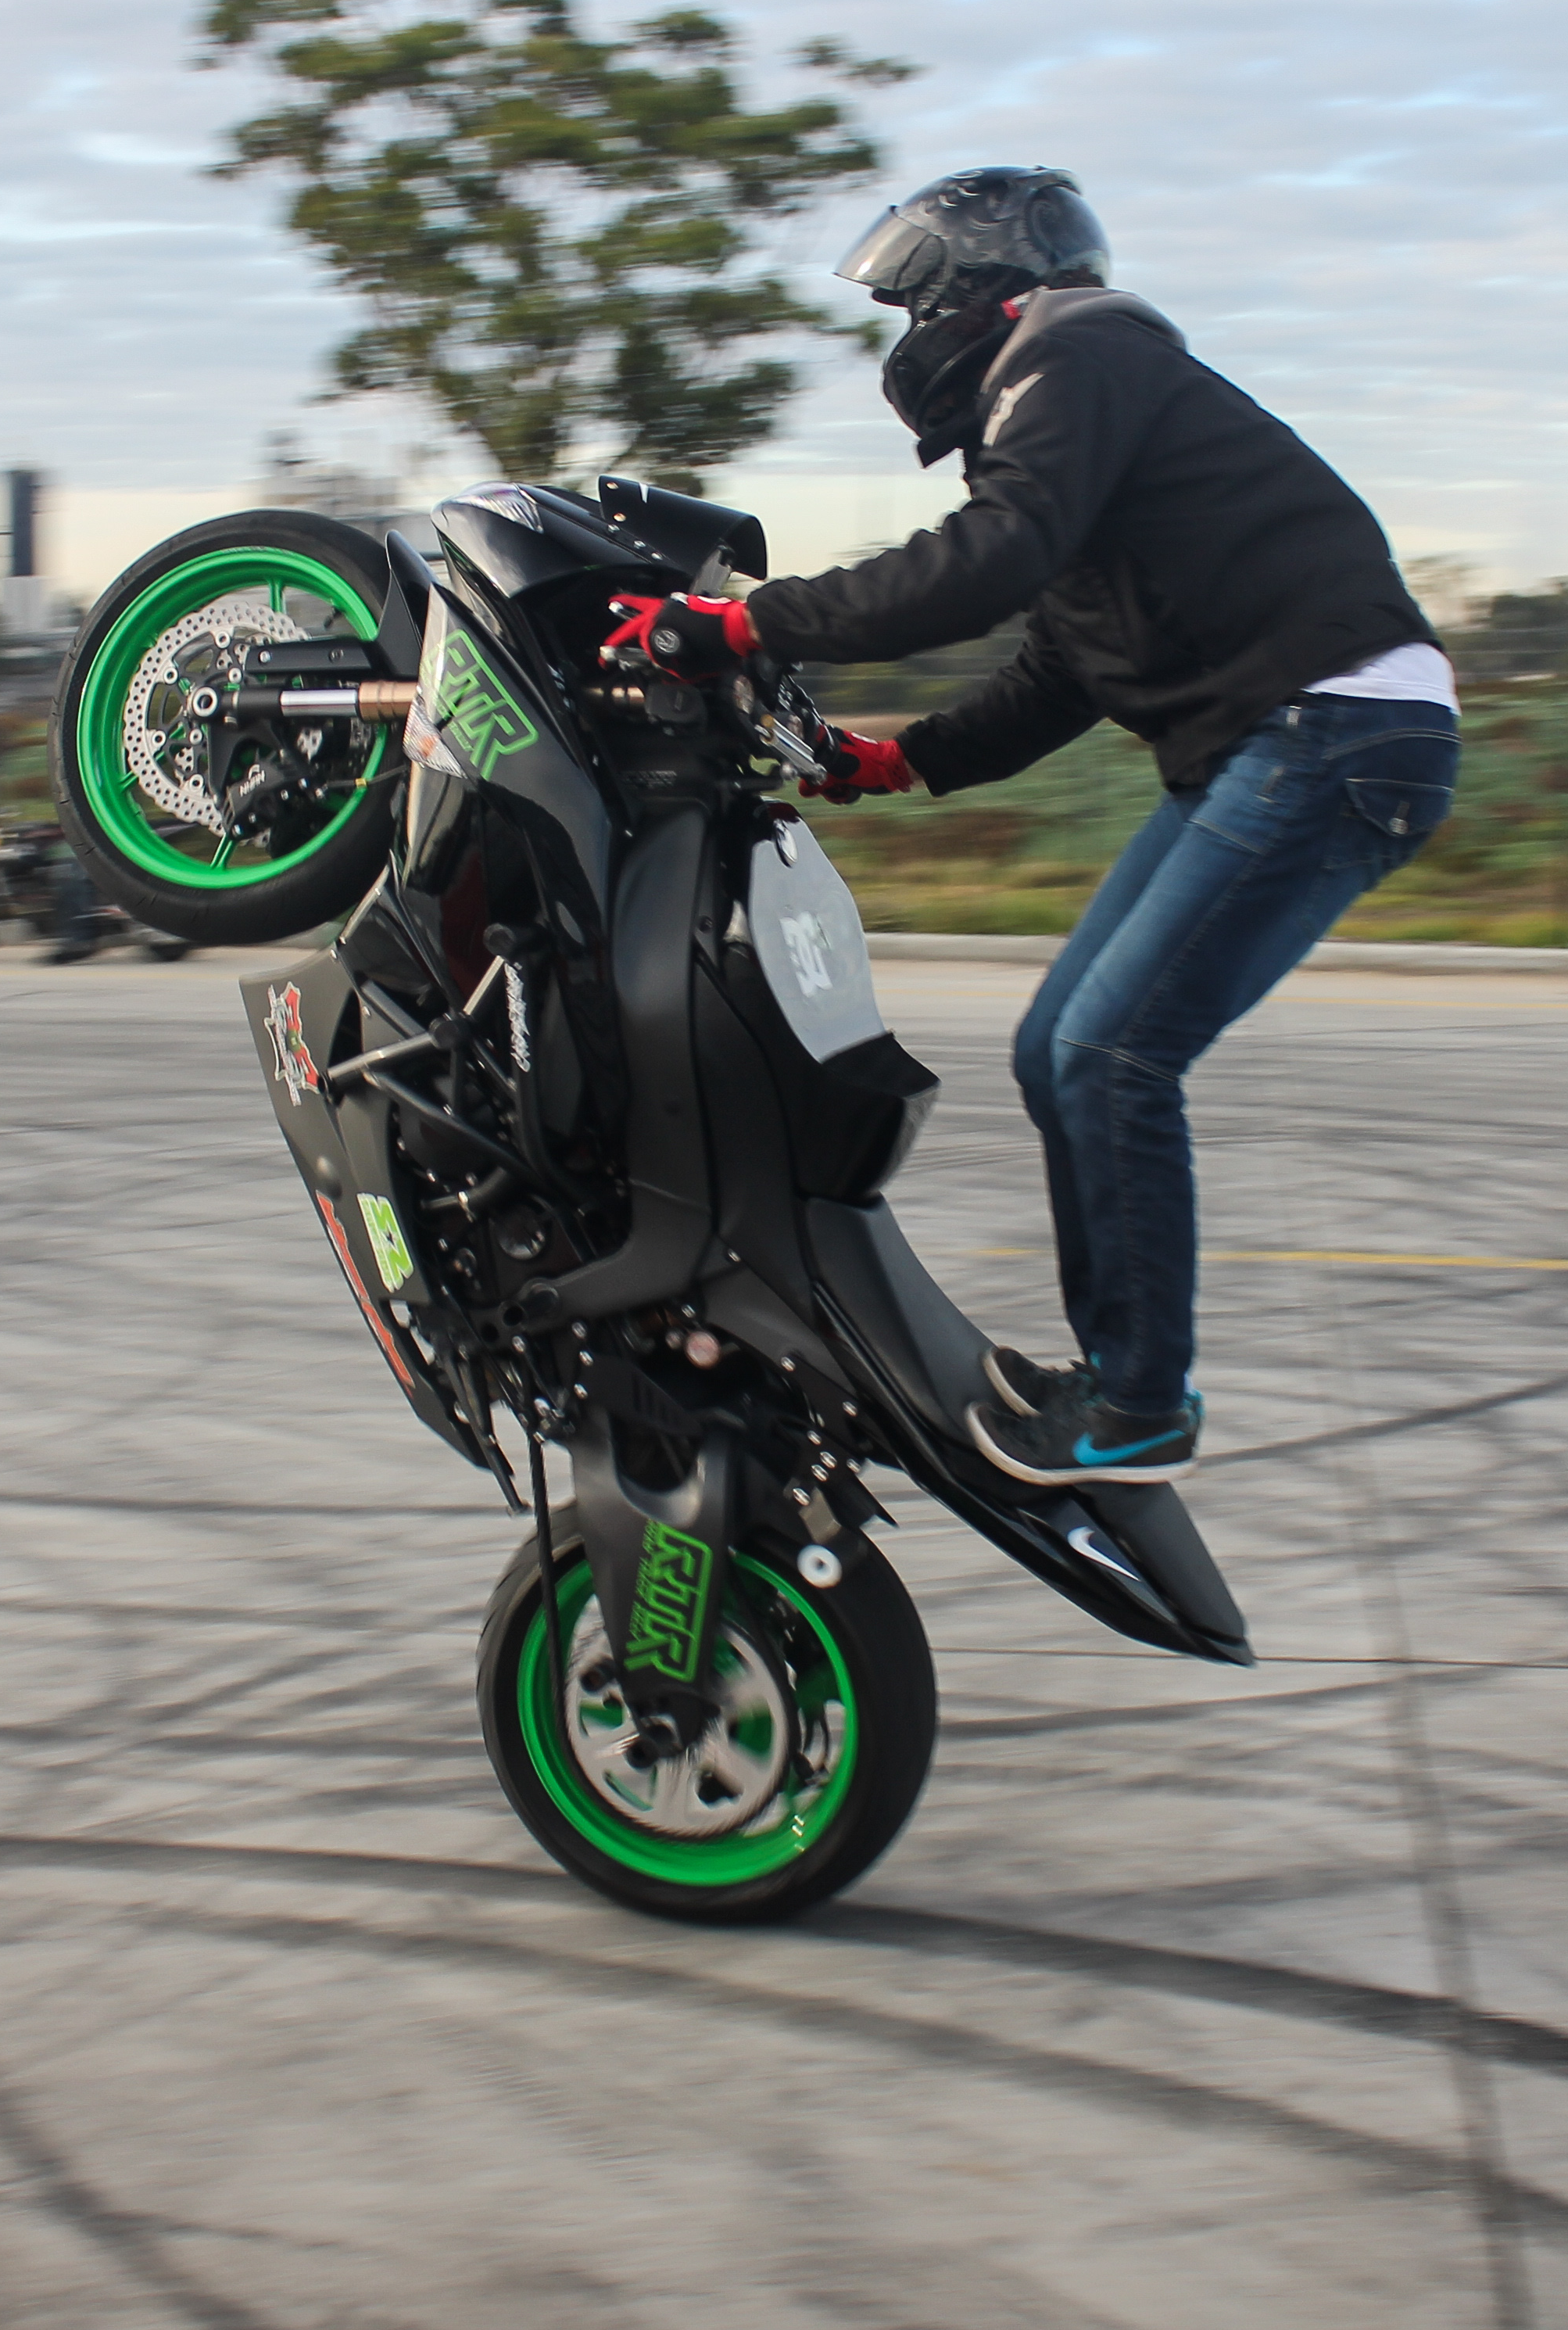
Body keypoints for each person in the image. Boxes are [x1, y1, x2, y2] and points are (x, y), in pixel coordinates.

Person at [602, 165, 1460, 1488]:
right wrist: (901, 761)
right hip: (1284, 739)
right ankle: (1118, 1377)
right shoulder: (1089, 405)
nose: (907, 336)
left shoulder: (1077, 352)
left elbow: (987, 559)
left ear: (982, 292)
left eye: (914, 304)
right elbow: (1062, 665)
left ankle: (1140, 1405)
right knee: (1057, 1050)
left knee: (1110, 1054)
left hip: (1328, 731)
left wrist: (741, 624)